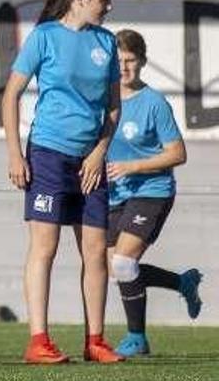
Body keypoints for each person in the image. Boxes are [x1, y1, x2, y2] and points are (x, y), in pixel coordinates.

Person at [1, 0, 124, 364]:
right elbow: (11, 96)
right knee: (45, 248)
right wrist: (16, 153)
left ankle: (96, 341)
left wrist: (99, 152)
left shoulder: (106, 43)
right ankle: (39, 340)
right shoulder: (44, 37)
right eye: (103, 1)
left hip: (91, 161)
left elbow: (113, 108)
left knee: (95, 250)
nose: (109, 7)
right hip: (49, 155)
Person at [106, 29, 202, 357]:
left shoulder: (154, 103)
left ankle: (137, 339)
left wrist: (133, 167)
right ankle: (182, 283)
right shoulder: (102, 98)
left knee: (122, 263)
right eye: (118, 61)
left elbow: (178, 153)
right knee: (119, 269)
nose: (124, 67)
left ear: (142, 61)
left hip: (152, 190)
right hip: (114, 193)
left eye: (130, 60)